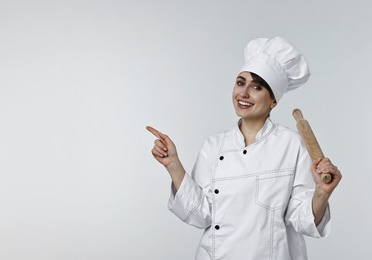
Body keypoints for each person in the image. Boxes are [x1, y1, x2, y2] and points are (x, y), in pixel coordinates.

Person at [146, 36, 342, 260]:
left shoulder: (292, 143)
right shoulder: (213, 145)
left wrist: (321, 193)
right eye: (240, 83)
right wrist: (173, 165)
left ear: (273, 101)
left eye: (256, 87)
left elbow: (303, 220)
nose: (244, 93)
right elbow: (201, 215)